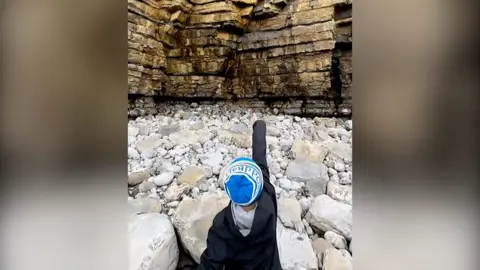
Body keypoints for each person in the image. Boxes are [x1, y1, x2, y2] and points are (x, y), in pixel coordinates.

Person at [197, 119, 282, 270]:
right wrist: (259, 126)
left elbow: (209, 263)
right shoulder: (268, 197)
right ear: (259, 184)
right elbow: (260, 159)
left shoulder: (221, 226)